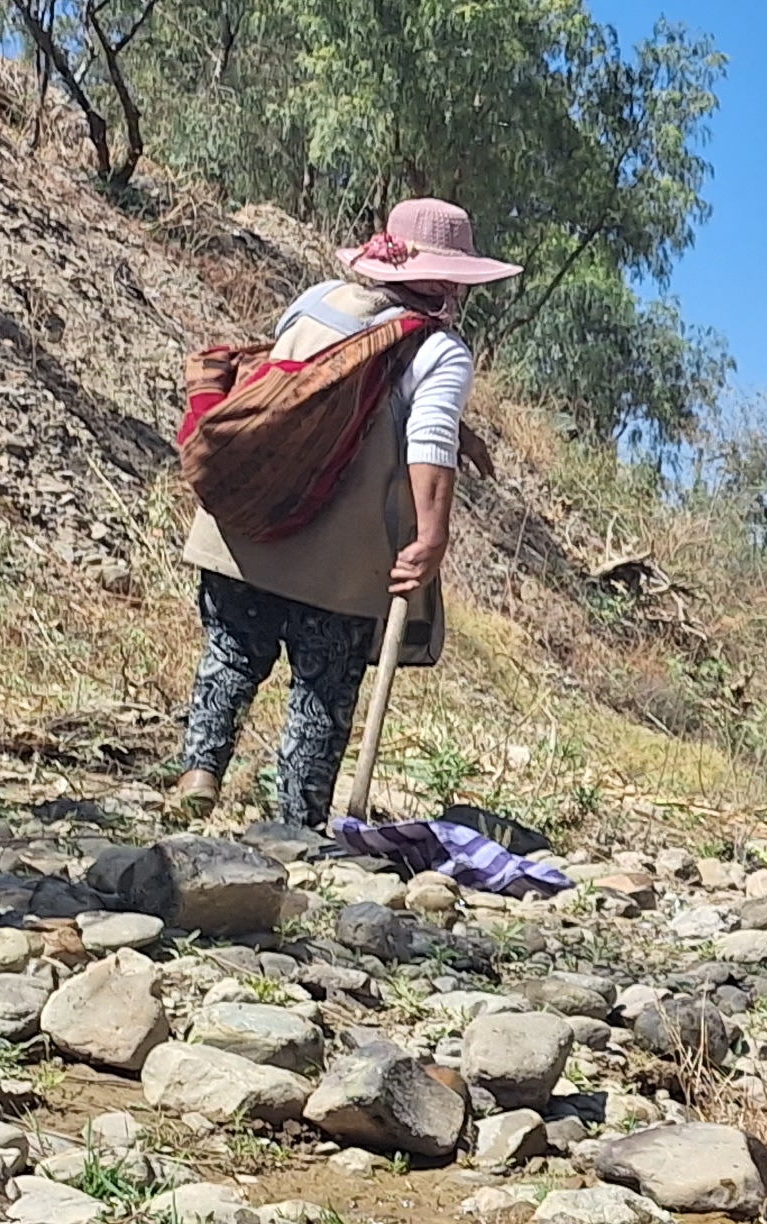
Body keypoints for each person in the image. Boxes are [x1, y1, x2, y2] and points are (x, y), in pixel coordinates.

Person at [170, 198, 517, 828]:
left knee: (231, 649)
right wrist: (432, 536)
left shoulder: (317, 300)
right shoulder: (441, 352)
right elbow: (428, 443)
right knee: (322, 688)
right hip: (338, 565)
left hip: (249, 525)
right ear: (444, 282)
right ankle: (297, 823)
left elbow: (318, 389)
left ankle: (201, 770)